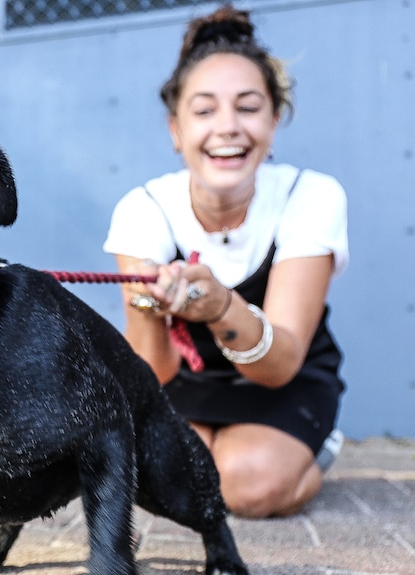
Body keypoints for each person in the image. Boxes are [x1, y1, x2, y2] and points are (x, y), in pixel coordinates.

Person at [103, 4, 348, 518]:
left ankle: (315, 450)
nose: (228, 127)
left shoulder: (311, 196)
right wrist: (149, 305)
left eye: (249, 107)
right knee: (172, 485)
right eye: (205, 109)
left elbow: (278, 366)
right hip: (185, 383)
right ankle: (223, 445)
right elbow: (152, 369)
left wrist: (219, 308)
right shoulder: (143, 209)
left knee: (247, 488)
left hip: (285, 377)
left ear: (274, 121)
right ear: (176, 129)